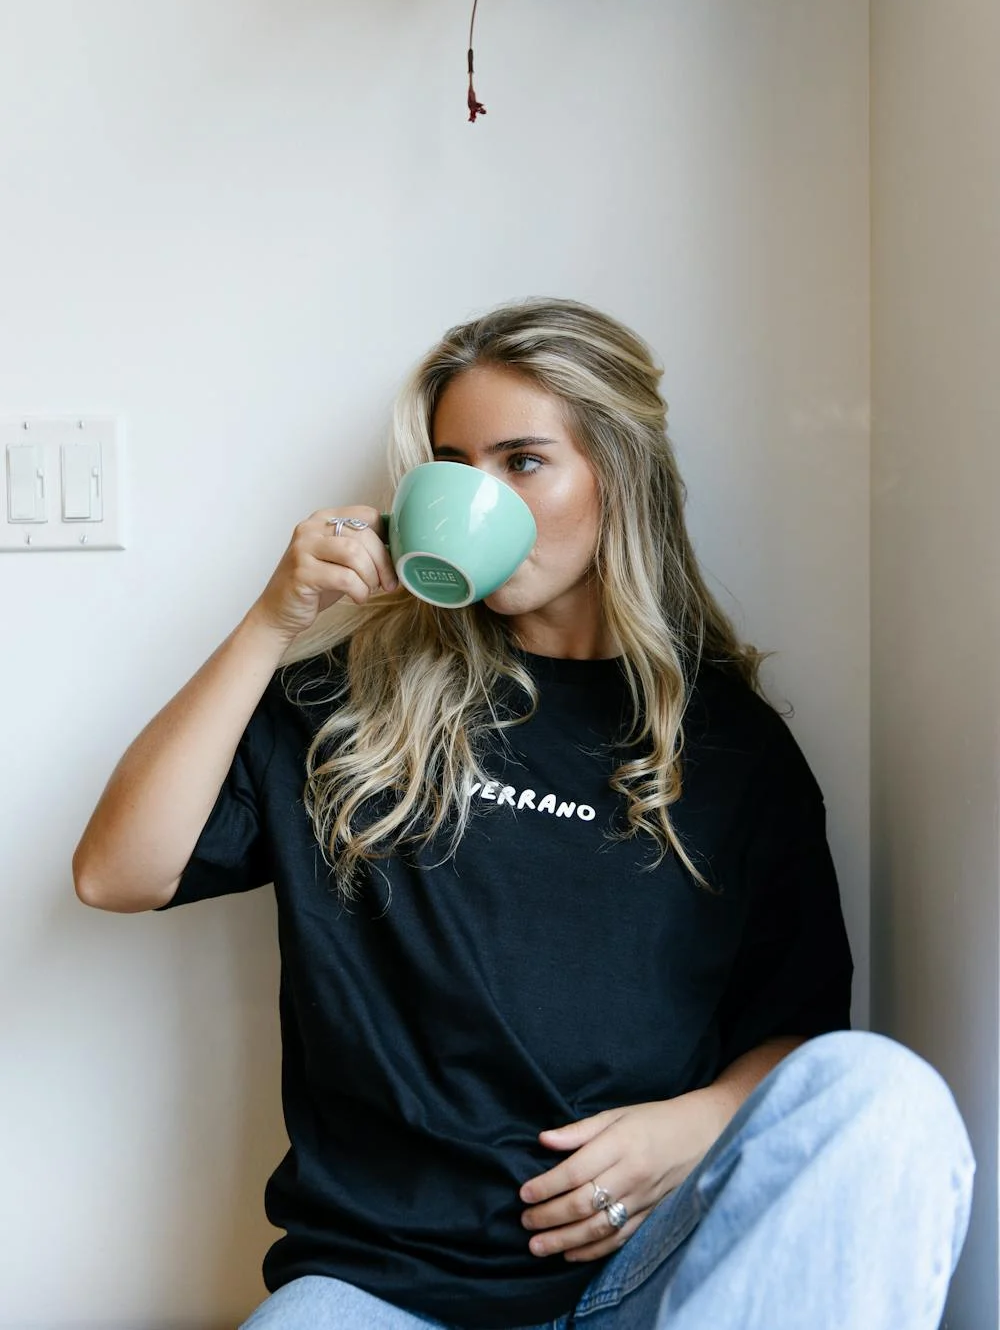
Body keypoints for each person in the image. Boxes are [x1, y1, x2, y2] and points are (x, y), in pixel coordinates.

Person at [73, 299, 974, 1330]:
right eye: (456, 467)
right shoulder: (351, 706)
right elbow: (117, 873)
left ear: (617, 477)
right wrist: (274, 621)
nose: (481, 494)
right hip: (385, 1293)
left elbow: (795, 1031)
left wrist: (696, 1124)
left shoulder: (728, 749)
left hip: (651, 1277)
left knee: (882, 1097)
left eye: (523, 461)